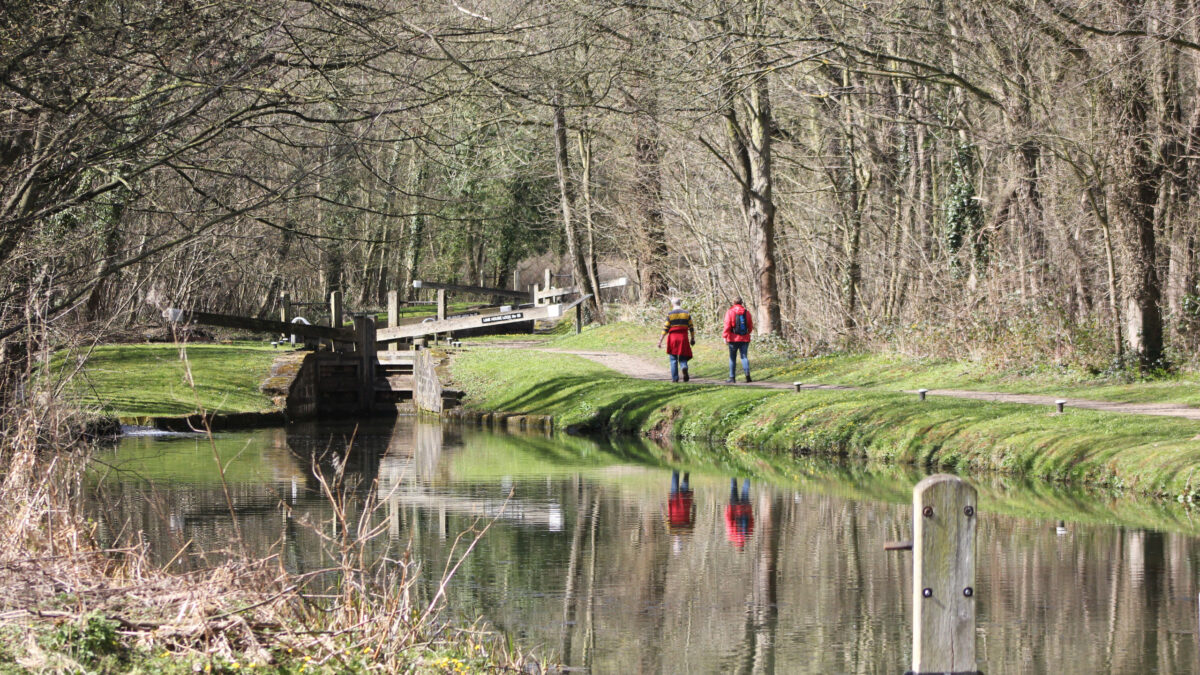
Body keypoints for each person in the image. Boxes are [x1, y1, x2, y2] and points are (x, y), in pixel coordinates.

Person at [657, 298, 695, 382]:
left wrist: (660, 340)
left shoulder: (670, 314)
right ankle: (684, 366)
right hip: (683, 338)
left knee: (673, 359)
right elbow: (691, 327)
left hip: (673, 338)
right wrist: (692, 338)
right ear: (680, 303)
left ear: (672, 304)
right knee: (683, 355)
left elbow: (665, 328)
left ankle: (675, 378)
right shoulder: (686, 314)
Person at [722, 297, 753, 383]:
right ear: (741, 303)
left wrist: (725, 336)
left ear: (734, 302)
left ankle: (732, 377)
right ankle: (747, 376)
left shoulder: (730, 312)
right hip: (745, 338)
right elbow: (750, 325)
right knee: (744, 357)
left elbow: (727, 325)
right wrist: (748, 333)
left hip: (733, 338)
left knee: (732, 358)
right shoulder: (747, 312)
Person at [724, 478, 754, 551]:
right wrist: (727, 509)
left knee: (745, 491)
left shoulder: (748, 536)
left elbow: (751, 521)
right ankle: (733, 474)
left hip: (745, 508)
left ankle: (748, 475)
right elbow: (728, 520)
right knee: (733, 488)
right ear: (736, 546)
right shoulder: (731, 536)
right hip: (734, 507)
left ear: (743, 545)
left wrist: (750, 510)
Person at [666, 470, 695, 535]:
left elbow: (693, 519)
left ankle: (684, 468)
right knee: (676, 477)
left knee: (684, 478)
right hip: (677, 502)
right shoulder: (673, 529)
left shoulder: (686, 529)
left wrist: (694, 508)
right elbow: (666, 520)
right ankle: (682, 467)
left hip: (681, 503)